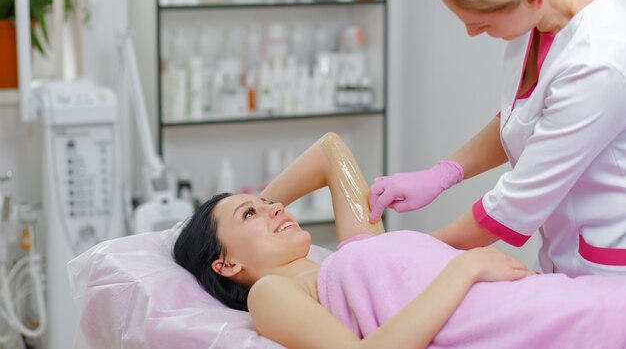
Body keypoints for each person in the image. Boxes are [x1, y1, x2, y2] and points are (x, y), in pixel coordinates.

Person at [174, 133, 626, 349]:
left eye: (269, 204)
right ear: (226, 265)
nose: (274, 208)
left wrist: (262, 207)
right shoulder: (271, 293)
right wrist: (464, 268)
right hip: (525, 327)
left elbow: (330, 150)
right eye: (249, 213)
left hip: (548, 299)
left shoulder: (357, 245)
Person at [369, 0, 626, 276]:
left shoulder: (598, 63)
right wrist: (443, 173)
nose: (471, 34)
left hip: (606, 268)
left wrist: (412, 253)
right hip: (561, 251)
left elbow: (513, 205)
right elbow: (525, 118)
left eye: (481, 23)